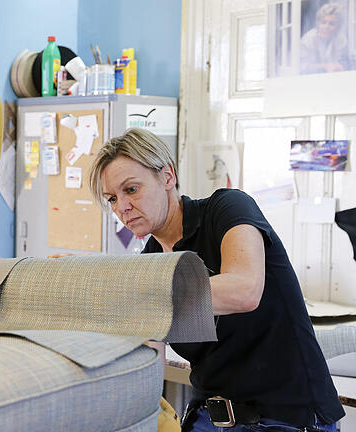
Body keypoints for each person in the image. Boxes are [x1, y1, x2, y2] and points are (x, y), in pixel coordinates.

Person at [88, 128, 344, 431]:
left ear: (167, 176)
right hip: (208, 417)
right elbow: (148, 353)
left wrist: (130, 290)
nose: (122, 208)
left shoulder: (227, 209)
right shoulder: (150, 264)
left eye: (131, 190)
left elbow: (244, 291)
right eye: (112, 199)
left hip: (285, 417)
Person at [300, 2, 349, 74]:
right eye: (323, 22)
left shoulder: (341, 40)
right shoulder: (308, 40)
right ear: (318, 23)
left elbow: (342, 63)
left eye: (332, 24)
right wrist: (325, 66)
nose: (326, 27)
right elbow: (301, 67)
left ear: (338, 27)